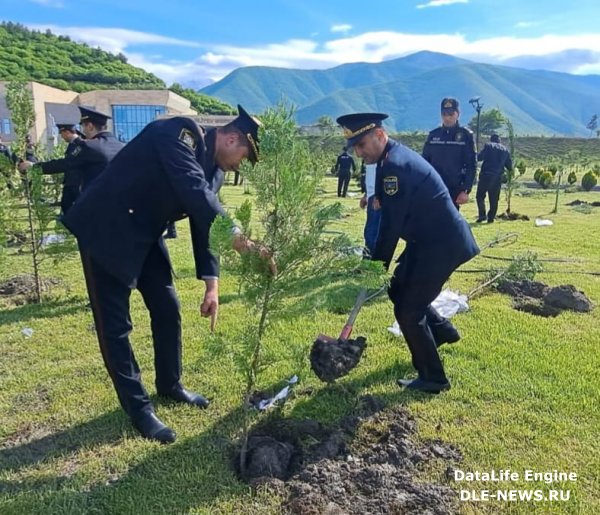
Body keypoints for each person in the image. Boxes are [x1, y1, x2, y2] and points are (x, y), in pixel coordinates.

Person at [62, 105, 274, 443]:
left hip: (145, 232)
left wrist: (212, 286)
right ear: (232, 137)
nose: (239, 167)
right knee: (115, 326)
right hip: (105, 227)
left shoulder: (215, 169)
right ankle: (139, 409)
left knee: (167, 306)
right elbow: (194, 191)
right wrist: (244, 242)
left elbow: (204, 222)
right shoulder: (178, 133)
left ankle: (170, 384)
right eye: (243, 157)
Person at [337, 112, 479, 394]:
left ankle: (433, 377)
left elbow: (390, 227)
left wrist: (375, 268)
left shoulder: (395, 167)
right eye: (354, 147)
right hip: (427, 241)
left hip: (441, 245)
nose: (358, 152)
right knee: (398, 288)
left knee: (408, 310)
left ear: (379, 135)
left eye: (362, 145)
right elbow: (387, 206)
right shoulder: (388, 159)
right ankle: (441, 331)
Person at [18, 107, 124, 205]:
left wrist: (33, 167)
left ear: (90, 126)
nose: (83, 131)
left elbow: (64, 164)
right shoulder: (120, 145)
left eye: (83, 126)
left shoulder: (89, 146)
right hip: (118, 201)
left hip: (96, 203)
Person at [422, 98, 477, 210]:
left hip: (455, 189)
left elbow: (471, 164)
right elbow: (424, 163)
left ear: (458, 114)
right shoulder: (433, 135)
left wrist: (466, 190)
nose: (447, 117)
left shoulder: (465, 135)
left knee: (451, 223)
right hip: (434, 187)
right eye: (444, 114)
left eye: (451, 114)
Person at [476, 134, 513, 223]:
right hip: (497, 178)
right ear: (499, 141)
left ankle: (482, 215)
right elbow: (510, 167)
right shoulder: (505, 150)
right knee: (494, 198)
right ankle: (491, 218)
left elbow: (479, 158)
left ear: (491, 140)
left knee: (480, 196)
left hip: (485, 175)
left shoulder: (488, 146)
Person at [358, 159, 381, 257]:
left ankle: (369, 264)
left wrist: (380, 197)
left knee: (372, 234)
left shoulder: (383, 157)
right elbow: (371, 178)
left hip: (377, 198)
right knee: (369, 232)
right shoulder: (369, 158)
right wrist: (366, 195)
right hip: (371, 196)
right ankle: (368, 263)